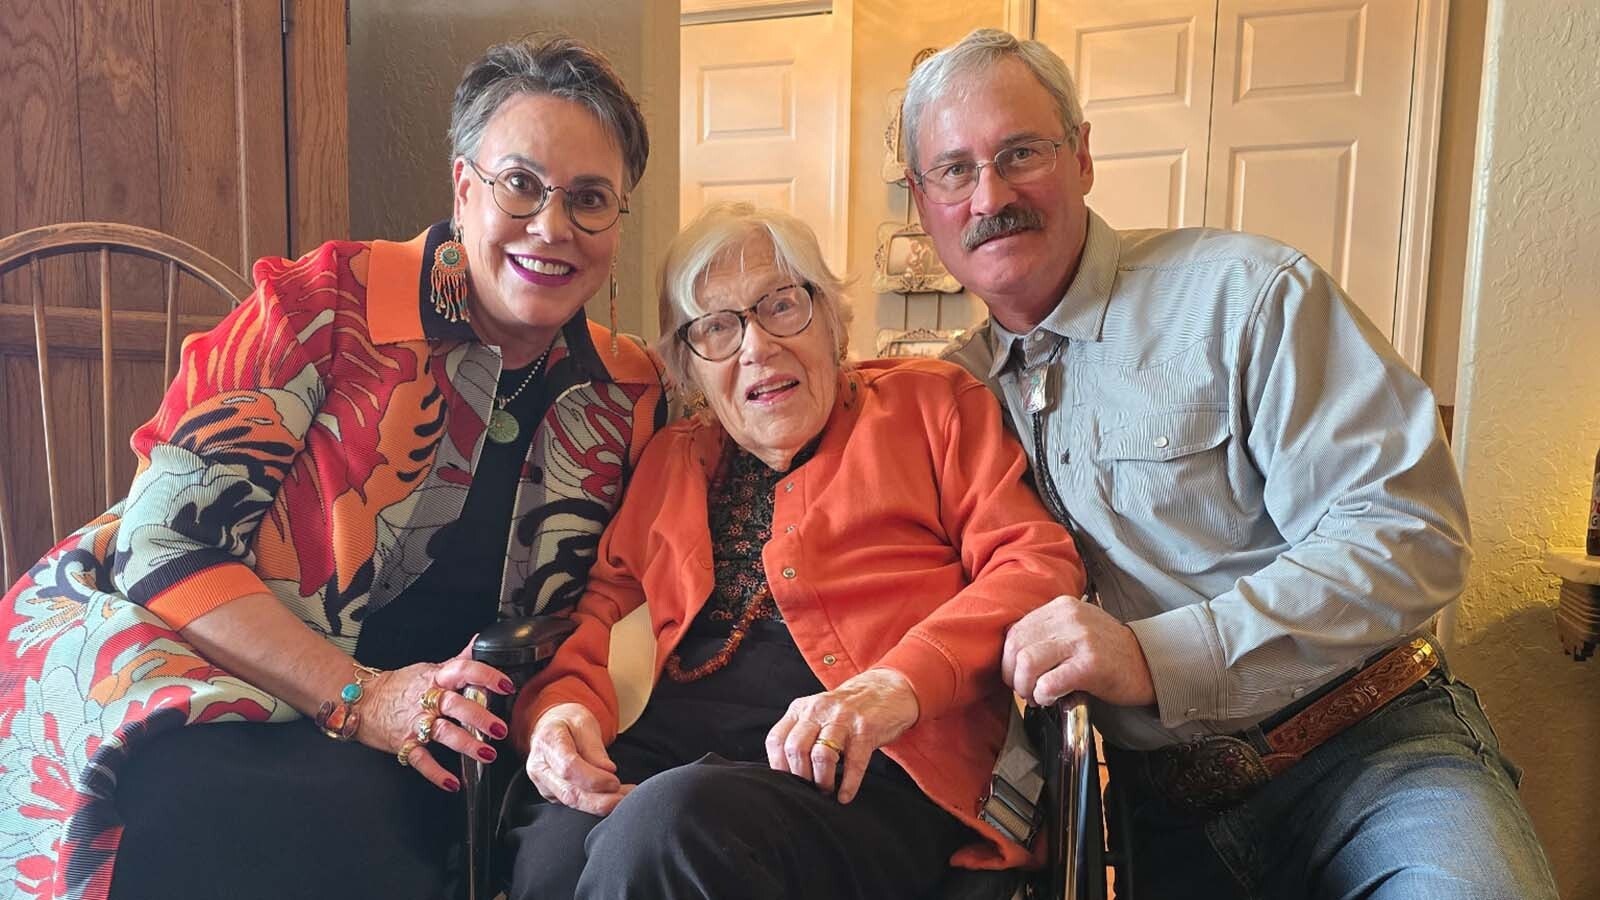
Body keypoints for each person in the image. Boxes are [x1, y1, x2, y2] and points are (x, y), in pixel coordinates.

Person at [0, 34, 665, 900]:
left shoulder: (632, 395)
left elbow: (636, 585)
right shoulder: (323, 307)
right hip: (229, 679)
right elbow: (164, 543)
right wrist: (363, 698)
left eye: (590, 200)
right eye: (521, 185)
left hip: (456, 744)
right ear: (464, 189)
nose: (552, 226)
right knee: (193, 812)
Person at [902, 28, 1559, 900]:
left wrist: (1157, 655)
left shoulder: (1245, 296)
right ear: (922, 202)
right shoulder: (948, 399)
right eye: (954, 169)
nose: (991, 194)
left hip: (1373, 758)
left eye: (1021, 152)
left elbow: (1411, 533)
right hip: (1160, 819)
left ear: (1083, 156)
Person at [504, 202, 1085, 899]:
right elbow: (604, 610)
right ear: (689, 368)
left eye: (781, 306)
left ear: (834, 321)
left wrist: (895, 685)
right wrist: (562, 712)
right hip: (671, 754)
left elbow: (1033, 564)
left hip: (867, 769)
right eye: (716, 327)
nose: (756, 347)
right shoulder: (674, 459)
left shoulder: (928, 407)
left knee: (666, 831)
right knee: (551, 852)